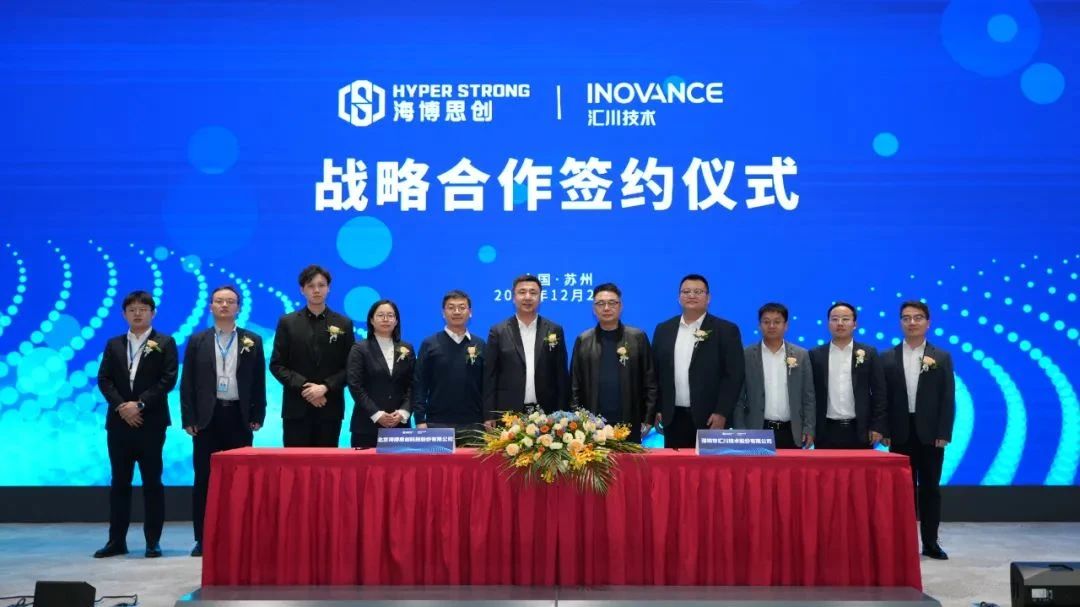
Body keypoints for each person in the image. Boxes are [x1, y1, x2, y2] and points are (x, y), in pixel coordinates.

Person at [180, 285, 266, 557]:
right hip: (208, 418)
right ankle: (203, 538)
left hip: (239, 417)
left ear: (238, 307)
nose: (225, 305)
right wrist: (189, 417)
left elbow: (258, 381)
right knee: (204, 479)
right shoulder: (198, 340)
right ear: (211, 306)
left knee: (240, 480)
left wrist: (258, 414)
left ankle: (241, 536)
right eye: (219, 301)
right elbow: (187, 382)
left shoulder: (252, 340)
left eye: (230, 301)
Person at [94, 290, 178, 558]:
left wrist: (139, 404)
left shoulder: (165, 342)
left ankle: (153, 542)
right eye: (132, 309)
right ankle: (116, 541)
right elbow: (104, 379)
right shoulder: (114, 344)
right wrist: (122, 407)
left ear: (153, 313)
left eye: (143, 309)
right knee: (119, 482)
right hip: (119, 423)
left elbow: (168, 379)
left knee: (152, 482)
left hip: (151, 422)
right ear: (124, 314)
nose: (138, 313)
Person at [882, 300, 955, 560]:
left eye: (917, 317)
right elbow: (883, 398)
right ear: (900, 322)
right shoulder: (887, 357)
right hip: (899, 433)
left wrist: (944, 432)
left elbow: (947, 397)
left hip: (931, 435)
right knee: (901, 493)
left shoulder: (941, 357)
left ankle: (931, 543)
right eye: (906, 318)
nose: (912, 322)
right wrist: (884, 429)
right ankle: (901, 544)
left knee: (930, 490)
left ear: (928, 322)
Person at [651, 274, 744, 448]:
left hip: (710, 418)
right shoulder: (664, 329)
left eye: (698, 292)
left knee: (710, 466)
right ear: (679, 297)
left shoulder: (726, 330)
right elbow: (656, 372)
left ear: (708, 298)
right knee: (675, 464)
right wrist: (657, 408)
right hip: (672, 417)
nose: (691, 295)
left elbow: (733, 376)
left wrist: (722, 412)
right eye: (686, 292)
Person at [270, 265, 354, 447]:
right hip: (296, 408)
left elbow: (351, 367)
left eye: (321, 285)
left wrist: (325, 387)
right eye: (311, 286)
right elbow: (277, 365)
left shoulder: (344, 323)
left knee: (327, 463)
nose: (316, 290)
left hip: (329, 407)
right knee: (296, 462)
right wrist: (306, 388)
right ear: (302, 290)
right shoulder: (287, 322)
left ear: (328, 288)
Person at [569, 283, 657, 442]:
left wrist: (648, 418)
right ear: (594, 309)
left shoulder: (637, 337)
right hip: (592, 425)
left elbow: (650, 380)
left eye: (612, 303)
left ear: (620, 306)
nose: (606, 308)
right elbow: (575, 385)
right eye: (600, 303)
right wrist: (578, 419)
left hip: (630, 421)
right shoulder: (583, 340)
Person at [483, 274, 569, 422]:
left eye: (533, 292)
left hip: (547, 413)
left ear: (540, 298)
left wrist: (563, 413)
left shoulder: (554, 329)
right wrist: (489, 416)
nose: (527, 297)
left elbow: (561, 375)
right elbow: (490, 377)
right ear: (513, 297)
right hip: (508, 413)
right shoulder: (498, 331)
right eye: (522, 292)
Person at [733, 303, 815, 449]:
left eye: (777, 322)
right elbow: (738, 398)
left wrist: (809, 428)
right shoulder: (746, 355)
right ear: (759, 325)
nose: (771, 326)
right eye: (766, 322)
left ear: (786, 325)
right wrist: (740, 430)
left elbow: (808, 397)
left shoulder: (801, 355)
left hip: (792, 431)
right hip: (757, 430)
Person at [809, 301, 887, 449]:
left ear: (854, 324)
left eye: (845, 319)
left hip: (860, 430)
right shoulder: (815, 355)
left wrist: (878, 426)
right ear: (828, 324)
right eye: (834, 319)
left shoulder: (869, 353)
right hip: (825, 430)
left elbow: (880, 393)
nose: (840, 323)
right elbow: (809, 395)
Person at [413, 290, 485, 444]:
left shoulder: (480, 344)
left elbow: (487, 385)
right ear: (443, 313)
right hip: (436, 423)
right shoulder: (429, 344)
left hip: (474, 424)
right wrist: (420, 420)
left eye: (462, 307)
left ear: (470, 312)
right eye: (451, 307)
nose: (457, 312)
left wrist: (488, 417)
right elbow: (419, 384)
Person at [347, 300, 413, 448]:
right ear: (371, 320)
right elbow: (355, 385)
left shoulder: (407, 348)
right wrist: (376, 414)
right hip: (366, 426)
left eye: (390, 315)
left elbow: (413, 384)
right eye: (380, 315)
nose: (385, 319)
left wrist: (403, 412)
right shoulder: (360, 348)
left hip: (399, 425)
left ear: (396, 321)